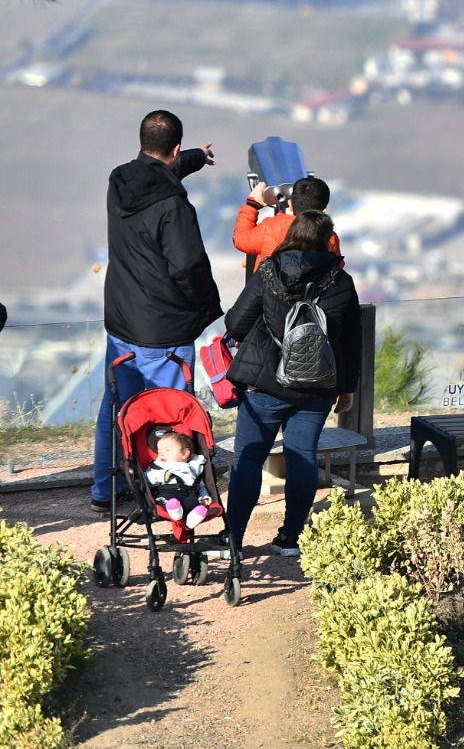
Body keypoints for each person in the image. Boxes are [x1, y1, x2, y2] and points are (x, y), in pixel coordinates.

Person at [94, 110, 223, 515]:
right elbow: (188, 267)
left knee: (118, 406)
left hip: (121, 321)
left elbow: (157, 171)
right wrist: (205, 305)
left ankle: (106, 489)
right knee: (169, 414)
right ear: (175, 149)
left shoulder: (120, 181)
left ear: (141, 143)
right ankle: (169, 496)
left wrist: (196, 159)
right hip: (164, 328)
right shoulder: (173, 207)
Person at [223, 211, 361, 557]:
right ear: (328, 239)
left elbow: (236, 325)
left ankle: (234, 539)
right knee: (302, 458)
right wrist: (348, 387)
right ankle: (291, 539)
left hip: (265, 385)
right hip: (317, 387)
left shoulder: (268, 272)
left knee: (249, 460)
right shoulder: (341, 282)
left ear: (292, 234)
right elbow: (350, 341)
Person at [234, 175, 343, 275]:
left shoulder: (270, 227)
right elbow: (337, 267)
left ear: (290, 204)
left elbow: (241, 240)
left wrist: (252, 205)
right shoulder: (329, 236)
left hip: (270, 294)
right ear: (324, 210)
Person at [145, 430, 215, 531]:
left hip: (189, 495)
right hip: (167, 495)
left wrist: (203, 495)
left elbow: (200, 484)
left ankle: (191, 521)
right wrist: (162, 475)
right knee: (170, 502)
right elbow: (147, 477)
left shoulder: (194, 466)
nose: (162, 454)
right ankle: (175, 512)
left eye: (167, 450)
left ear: (184, 453)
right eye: (159, 452)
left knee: (194, 504)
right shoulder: (158, 466)